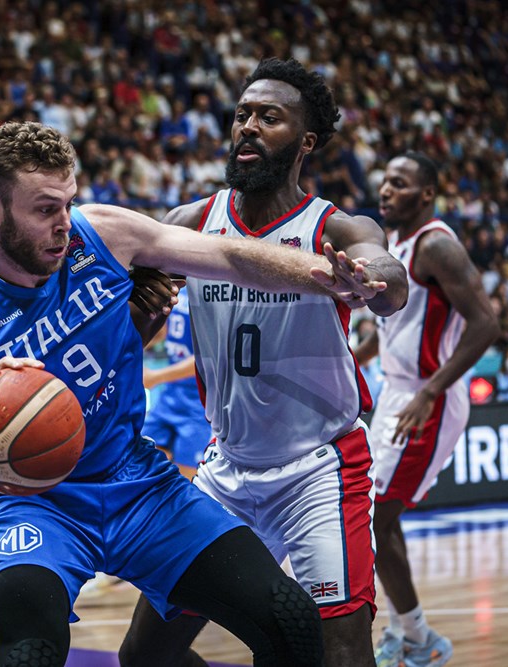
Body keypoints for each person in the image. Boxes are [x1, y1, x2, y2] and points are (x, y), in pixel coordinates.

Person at [0, 120, 387, 667]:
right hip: (37, 506)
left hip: (138, 485)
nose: (63, 225)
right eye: (45, 210)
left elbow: (228, 255)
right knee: (28, 656)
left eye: (68, 203)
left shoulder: (101, 233)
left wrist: (326, 274)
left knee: (290, 619)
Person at [121, 58, 409, 667]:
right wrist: (138, 311)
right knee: (145, 657)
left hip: (318, 470)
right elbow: (132, 333)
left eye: (269, 117)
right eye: (242, 115)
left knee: (343, 656)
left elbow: (389, 278)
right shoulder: (189, 225)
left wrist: (370, 279)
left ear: (306, 142)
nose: (248, 126)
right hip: (226, 469)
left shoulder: (334, 228)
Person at [354, 152, 500, 667]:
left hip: (428, 396)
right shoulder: (395, 246)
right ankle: (404, 631)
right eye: (385, 181)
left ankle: (420, 637)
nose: (386, 190)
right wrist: (355, 358)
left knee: (377, 515)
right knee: (371, 513)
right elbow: (392, 328)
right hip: (397, 390)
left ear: (427, 194)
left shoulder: (437, 245)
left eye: (400, 183)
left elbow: (486, 323)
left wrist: (431, 391)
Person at [140, 284, 207, 478]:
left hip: (198, 405)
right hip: (169, 397)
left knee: (186, 478)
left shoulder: (211, 296)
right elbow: (162, 332)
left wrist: (156, 376)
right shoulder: (179, 291)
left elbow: (207, 358)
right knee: (142, 461)